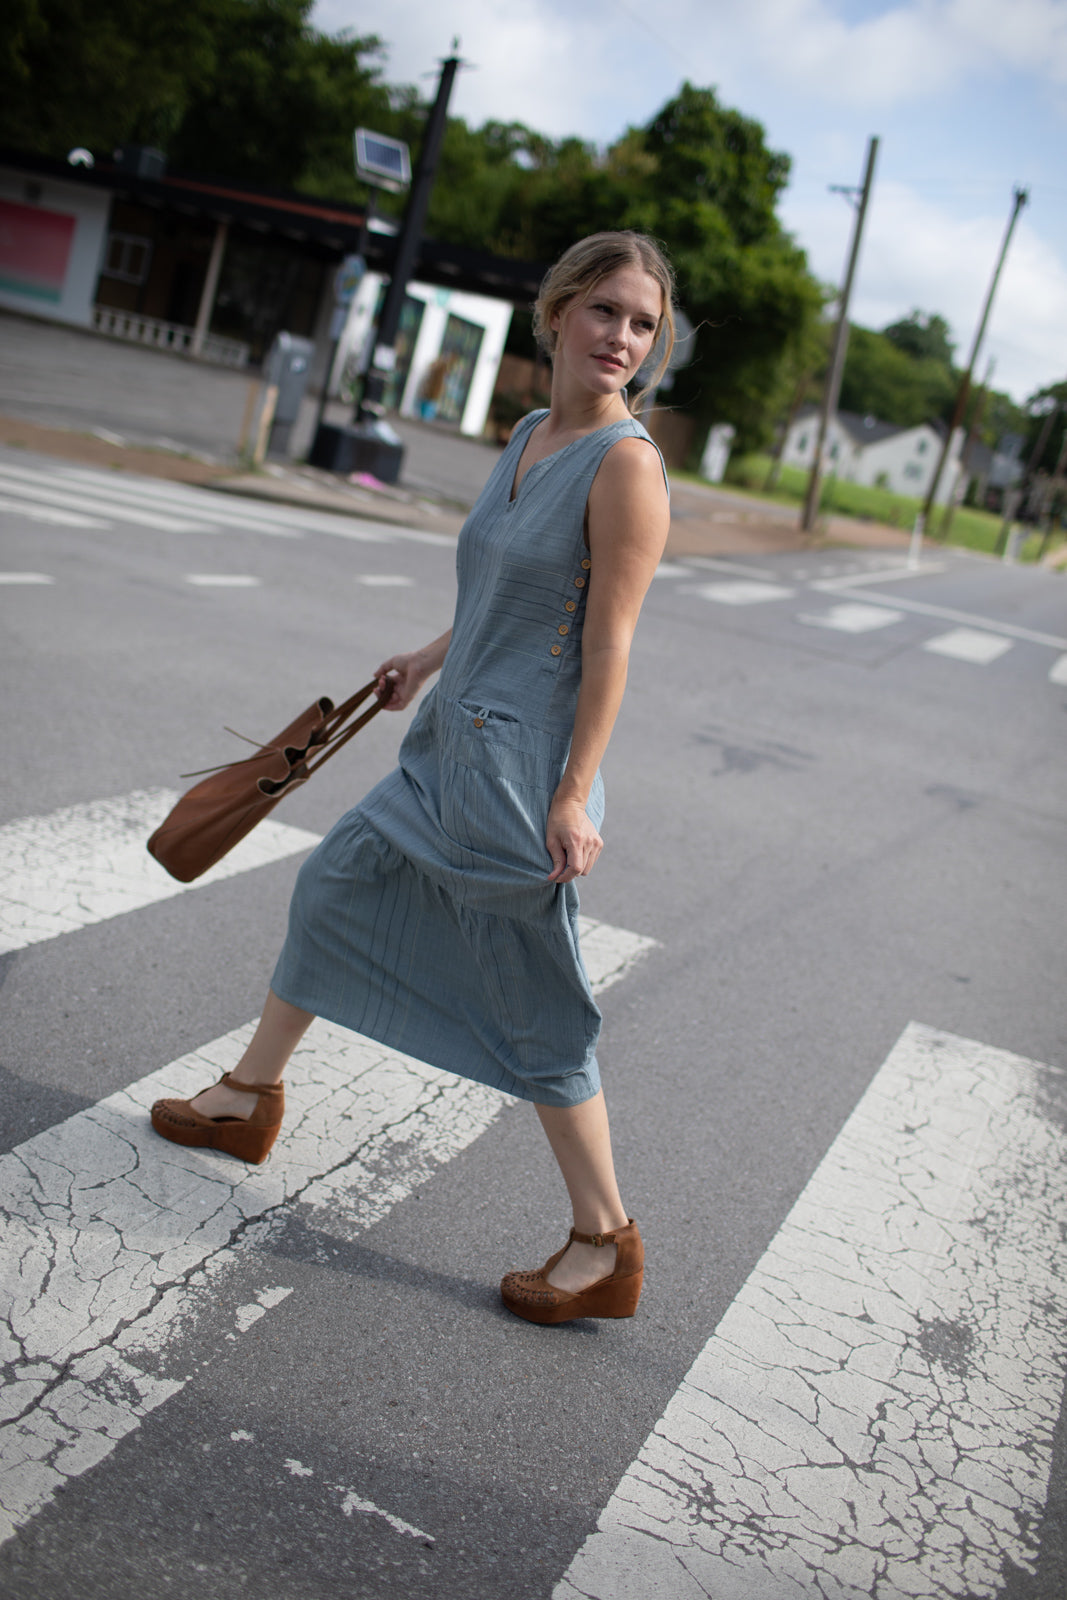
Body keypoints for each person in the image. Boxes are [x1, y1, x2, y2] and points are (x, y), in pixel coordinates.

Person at [151, 231, 676, 1326]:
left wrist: (573, 792)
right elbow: (503, 581)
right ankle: (248, 1097)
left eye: (640, 321)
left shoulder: (624, 467)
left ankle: (602, 1239)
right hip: (447, 737)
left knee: (535, 1005)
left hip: (515, 776)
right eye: (603, 311)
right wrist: (426, 655)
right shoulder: (531, 433)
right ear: (557, 313)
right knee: (336, 883)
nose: (620, 337)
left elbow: (611, 644)